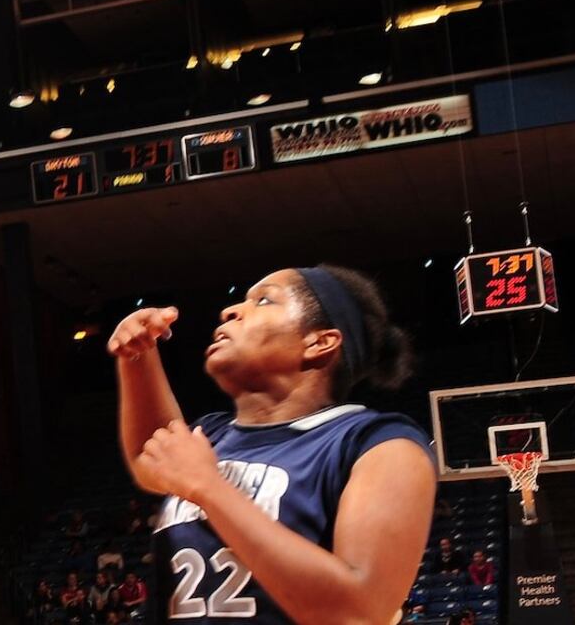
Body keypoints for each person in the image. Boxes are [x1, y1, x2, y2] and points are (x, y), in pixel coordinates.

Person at [110, 265, 435, 623]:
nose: (229, 311)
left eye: (263, 300)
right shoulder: (212, 436)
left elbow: (357, 612)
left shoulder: (379, 444)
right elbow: (150, 454)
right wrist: (137, 355)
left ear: (319, 342)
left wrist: (210, 488)